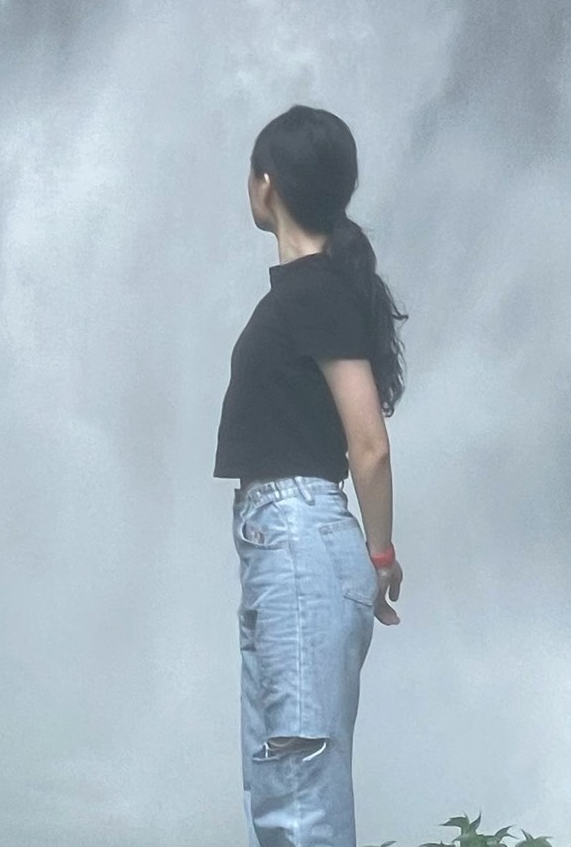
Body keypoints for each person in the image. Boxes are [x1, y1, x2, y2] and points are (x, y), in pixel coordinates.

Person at [214, 105, 406, 847]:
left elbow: (370, 443)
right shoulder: (314, 287)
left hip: (298, 546)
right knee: (282, 791)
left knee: (299, 798)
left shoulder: (316, 290)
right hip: (284, 552)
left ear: (268, 185)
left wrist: (380, 556)